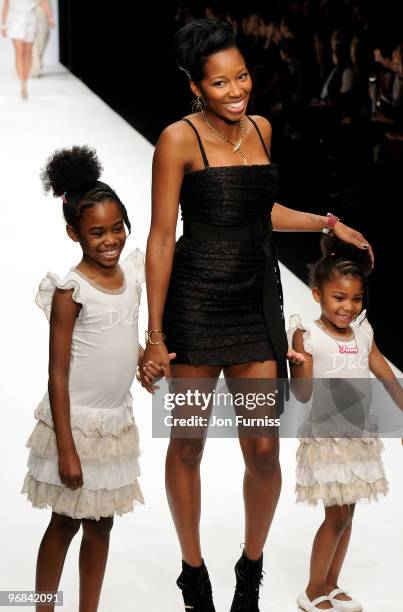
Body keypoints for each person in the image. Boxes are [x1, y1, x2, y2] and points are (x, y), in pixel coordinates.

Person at [142, 18, 374, 612]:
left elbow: (260, 210)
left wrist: (327, 222)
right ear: (196, 85)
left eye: (241, 75)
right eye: (219, 83)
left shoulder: (263, 129)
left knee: (264, 450)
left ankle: (251, 569)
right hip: (195, 311)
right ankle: (193, 574)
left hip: (254, 305)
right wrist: (156, 333)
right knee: (188, 444)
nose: (236, 90)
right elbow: (163, 238)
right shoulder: (178, 140)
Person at [21, 145, 167, 612]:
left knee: (102, 523)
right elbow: (57, 373)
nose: (111, 240)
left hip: (113, 424)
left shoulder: (130, 275)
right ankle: (42, 607)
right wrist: (65, 445)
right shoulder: (71, 290)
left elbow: (125, 335)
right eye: (97, 232)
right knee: (64, 522)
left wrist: (144, 356)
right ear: (74, 234)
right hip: (77, 426)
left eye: (118, 228)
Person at [288, 235, 402, 611]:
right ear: (317, 294)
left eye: (356, 299)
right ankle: (312, 589)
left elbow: (386, 376)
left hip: (359, 437)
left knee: (348, 512)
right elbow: (302, 395)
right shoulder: (309, 334)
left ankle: (332, 583)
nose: (348, 307)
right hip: (328, 439)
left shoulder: (363, 332)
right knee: (335, 515)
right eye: (339, 298)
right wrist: (299, 364)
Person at [1, 0, 54, 98]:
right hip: (16, 19)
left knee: (28, 53)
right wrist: (3, 24)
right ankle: (23, 84)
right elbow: (6, 4)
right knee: (19, 53)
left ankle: (25, 81)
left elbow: (43, 1)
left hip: (32, 19)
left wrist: (50, 16)